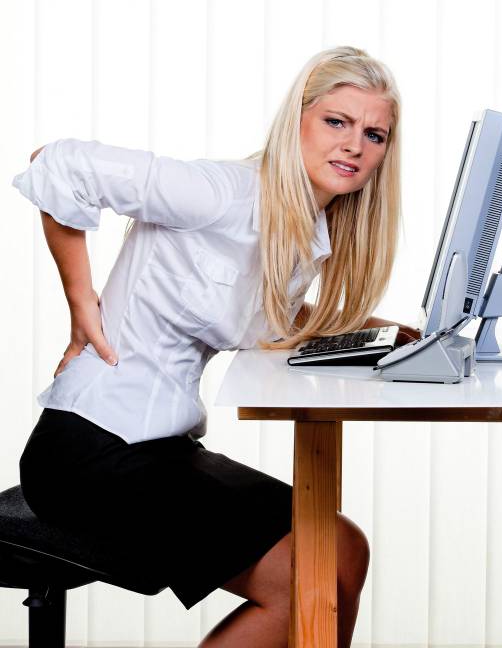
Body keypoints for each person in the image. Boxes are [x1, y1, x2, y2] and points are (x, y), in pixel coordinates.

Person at [13, 45, 418, 648]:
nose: (354, 145)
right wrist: (81, 303)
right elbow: (59, 163)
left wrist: (376, 330)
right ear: (297, 121)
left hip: (156, 445)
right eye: (337, 121)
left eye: (374, 134)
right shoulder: (222, 193)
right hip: (90, 452)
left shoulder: (296, 226)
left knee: (343, 547)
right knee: (312, 574)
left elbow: (267, 318)